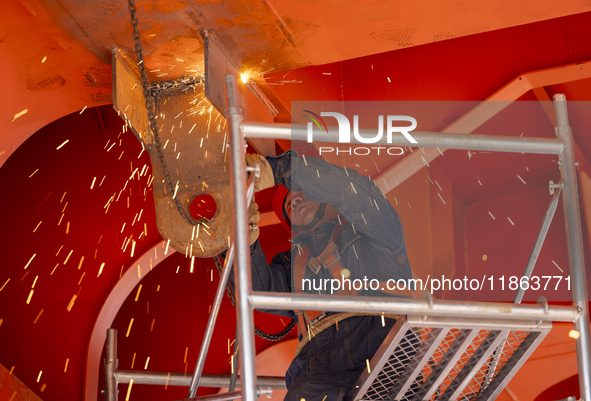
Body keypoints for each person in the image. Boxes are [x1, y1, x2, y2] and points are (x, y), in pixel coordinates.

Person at [236, 149, 415, 401]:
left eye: (300, 192)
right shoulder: (295, 268)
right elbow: (255, 288)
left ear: (330, 196)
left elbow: (357, 194)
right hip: (317, 373)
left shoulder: (376, 235)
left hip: (383, 355)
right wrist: (242, 237)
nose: (294, 202)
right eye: (289, 205)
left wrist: (282, 170)